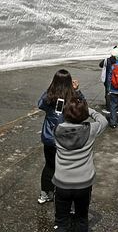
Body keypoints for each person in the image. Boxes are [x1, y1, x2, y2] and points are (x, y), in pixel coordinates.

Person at [53, 96, 108, 231]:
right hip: (83, 183)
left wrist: (69, 109)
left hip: (62, 182)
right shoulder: (91, 129)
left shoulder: (57, 130)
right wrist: (87, 110)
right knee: (82, 219)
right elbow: (104, 120)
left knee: (61, 221)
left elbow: (59, 119)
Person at [38, 69, 83, 204]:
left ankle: (45, 194)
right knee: (67, 167)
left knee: (50, 166)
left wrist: (50, 89)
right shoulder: (73, 97)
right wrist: (77, 91)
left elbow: (40, 104)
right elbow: (82, 108)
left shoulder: (49, 96)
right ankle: (65, 197)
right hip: (67, 138)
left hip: (50, 138)